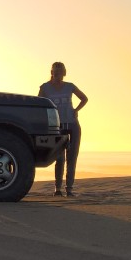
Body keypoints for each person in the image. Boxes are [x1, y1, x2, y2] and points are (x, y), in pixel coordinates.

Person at [38, 61, 88, 197]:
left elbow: (84, 98)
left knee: (72, 157)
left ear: (64, 73)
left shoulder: (70, 86)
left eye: (60, 72)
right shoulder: (45, 87)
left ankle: (69, 188)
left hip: (72, 124)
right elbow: (39, 104)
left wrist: (76, 110)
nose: (57, 74)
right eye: (55, 71)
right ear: (51, 73)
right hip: (57, 126)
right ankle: (57, 188)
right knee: (59, 158)